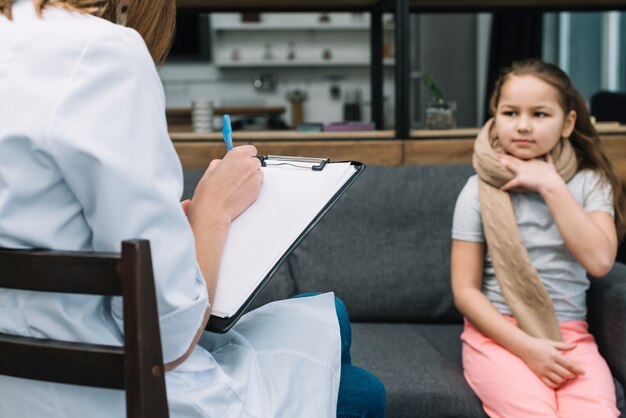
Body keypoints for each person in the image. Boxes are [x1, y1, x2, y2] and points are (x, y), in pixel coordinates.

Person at [0, 1, 386, 417]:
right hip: (107, 392)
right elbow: (165, 335)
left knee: (329, 314)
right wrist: (213, 209)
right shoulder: (100, 52)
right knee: (361, 391)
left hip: (19, 386)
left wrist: (178, 228)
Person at [451, 58, 625, 418]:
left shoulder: (589, 182)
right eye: (510, 113)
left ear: (568, 123)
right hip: (500, 335)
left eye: (541, 114)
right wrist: (528, 347)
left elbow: (600, 261)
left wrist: (550, 185)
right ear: (495, 117)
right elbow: (465, 291)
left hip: (570, 334)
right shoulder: (476, 190)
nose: (523, 126)